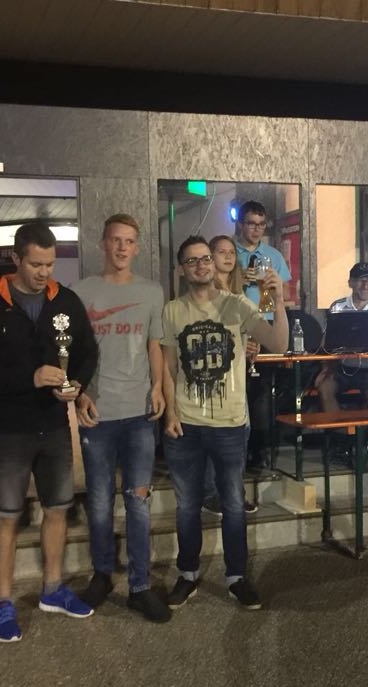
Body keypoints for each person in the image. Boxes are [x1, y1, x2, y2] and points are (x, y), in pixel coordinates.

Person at [0, 221, 98, 641]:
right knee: (6, 516)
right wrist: (31, 377)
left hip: (54, 426)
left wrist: (76, 385)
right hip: (8, 429)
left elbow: (87, 352)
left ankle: (53, 589)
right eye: (36, 264)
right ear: (16, 259)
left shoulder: (66, 301)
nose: (44, 273)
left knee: (57, 509)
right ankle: (3, 603)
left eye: (50, 264)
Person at [161, 236, 288, 611]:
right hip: (186, 423)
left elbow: (277, 342)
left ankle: (237, 577)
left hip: (230, 423)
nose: (201, 265)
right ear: (182, 269)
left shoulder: (237, 304)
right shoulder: (172, 311)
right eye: (192, 260)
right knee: (187, 506)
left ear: (214, 264)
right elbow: (168, 368)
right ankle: (187, 573)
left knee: (233, 504)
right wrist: (170, 413)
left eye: (205, 258)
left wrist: (276, 298)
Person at [71, 214, 171, 623]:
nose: (122, 248)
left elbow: (155, 346)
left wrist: (159, 387)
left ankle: (140, 586)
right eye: (115, 240)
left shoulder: (151, 291)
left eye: (129, 241)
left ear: (137, 246)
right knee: (98, 502)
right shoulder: (81, 292)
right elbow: (73, 352)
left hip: (139, 414)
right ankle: (101, 575)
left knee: (138, 502)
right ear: (103, 243)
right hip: (98, 412)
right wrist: (79, 394)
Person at [316, 261, 368, 460]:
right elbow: (326, 343)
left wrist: (345, 343)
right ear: (350, 283)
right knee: (325, 387)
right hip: (345, 366)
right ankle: (342, 442)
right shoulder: (337, 306)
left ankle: (366, 443)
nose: (365, 285)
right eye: (360, 280)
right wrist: (326, 368)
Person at [202, 234, 258, 515]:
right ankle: (211, 492)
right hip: (212, 373)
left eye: (231, 253)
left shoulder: (240, 292)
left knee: (242, 431)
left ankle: (234, 492)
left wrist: (252, 343)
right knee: (214, 433)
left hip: (237, 374)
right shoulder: (205, 291)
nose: (227, 257)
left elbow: (253, 323)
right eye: (221, 252)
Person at [235, 201, 292, 467]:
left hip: (265, 322)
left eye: (261, 225)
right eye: (251, 224)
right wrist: (239, 279)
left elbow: (281, 294)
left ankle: (259, 450)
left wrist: (273, 288)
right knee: (238, 389)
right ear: (240, 224)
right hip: (235, 324)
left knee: (261, 390)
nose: (257, 229)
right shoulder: (229, 252)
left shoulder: (272, 256)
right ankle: (238, 448)